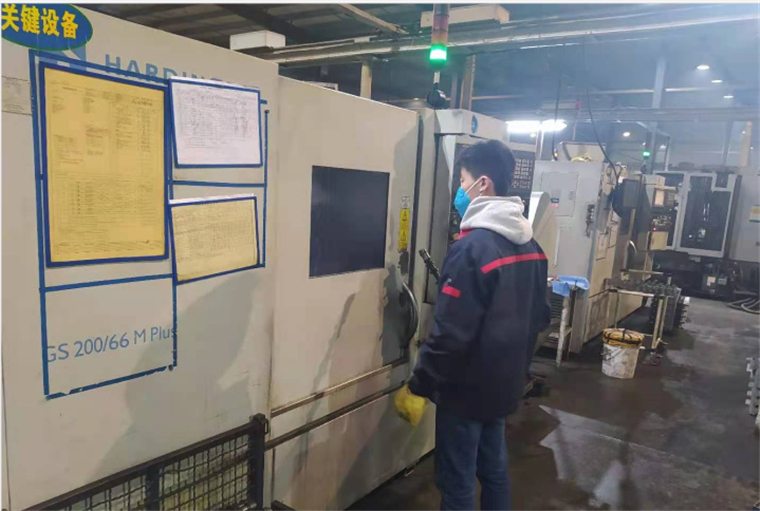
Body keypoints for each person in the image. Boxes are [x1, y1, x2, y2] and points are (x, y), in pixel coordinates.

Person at [406, 139, 551, 510]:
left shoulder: (471, 249)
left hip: (465, 391)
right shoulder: (532, 246)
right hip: (504, 385)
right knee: (494, 470)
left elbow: (450, 335)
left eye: (463, 181)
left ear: (483, 183)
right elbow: (540, 316)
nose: (460, 190)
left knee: (456, 482)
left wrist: (419, 385)